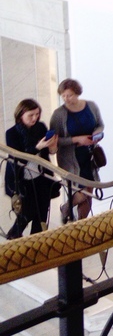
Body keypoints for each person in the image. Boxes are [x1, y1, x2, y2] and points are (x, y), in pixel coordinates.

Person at [50, 78, 104, 222]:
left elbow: (100, 125)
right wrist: (76, 139)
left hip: (89, 156)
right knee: (82, 192)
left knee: (89, 191)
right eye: (63, 96)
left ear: (77, 93)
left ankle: (81, 224)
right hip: (71, 159)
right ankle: (67, 208)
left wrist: (96, 135)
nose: (66, 99)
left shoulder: (91, 106)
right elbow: (55, 140)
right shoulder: (58, 114)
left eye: (70, 95)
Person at [4, 99, 57, 238]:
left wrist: (52, 146)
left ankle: (36, 245)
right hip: (22, 181)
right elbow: (18, 158)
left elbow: (48, 152)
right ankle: (14, 238)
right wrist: (37, 147)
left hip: (41, 177)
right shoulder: (11, 133)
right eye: (31, 115)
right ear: (20, 115)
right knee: (26, 214)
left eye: (37, 114)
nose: (35, 118)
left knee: (42, 215)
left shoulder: (40, 127)